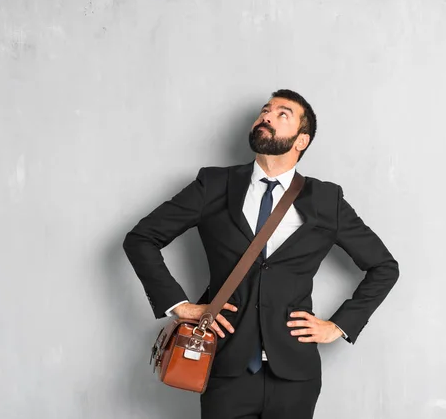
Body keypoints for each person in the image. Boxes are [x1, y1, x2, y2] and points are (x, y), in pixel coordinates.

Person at [122, 89, 400, 419]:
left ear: (301, 141)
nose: (266, 116)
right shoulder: (214, 184)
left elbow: (384, 267)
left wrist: (339, 326)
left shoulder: (326, 200)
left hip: (296, 375)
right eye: (265, 111)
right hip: (225, 369)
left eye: (282, 114)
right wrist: (179, 306)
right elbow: (141, 238)